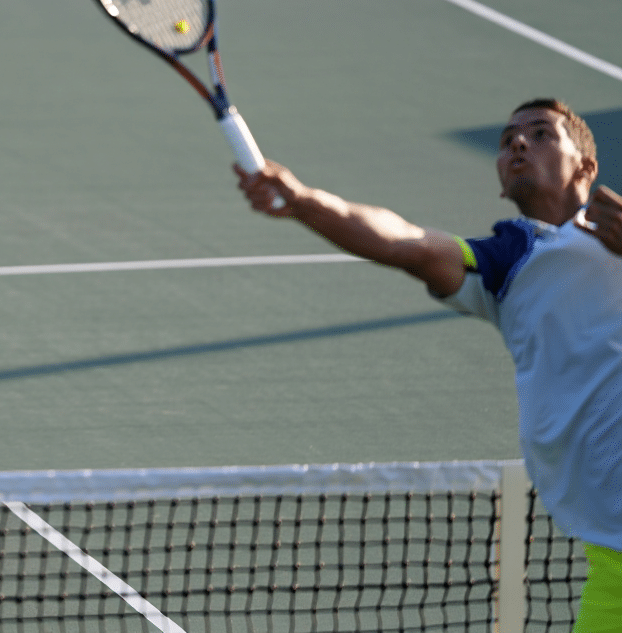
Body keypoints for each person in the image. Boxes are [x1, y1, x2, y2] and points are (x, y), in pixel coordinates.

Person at [235, 98, 622, 630]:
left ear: (586, 166)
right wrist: (304, 201)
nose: (518, 143)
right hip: (612, 552)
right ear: (501, 185)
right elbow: (406, 242)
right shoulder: (505, 266)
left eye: (541, 134)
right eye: (508, 138)